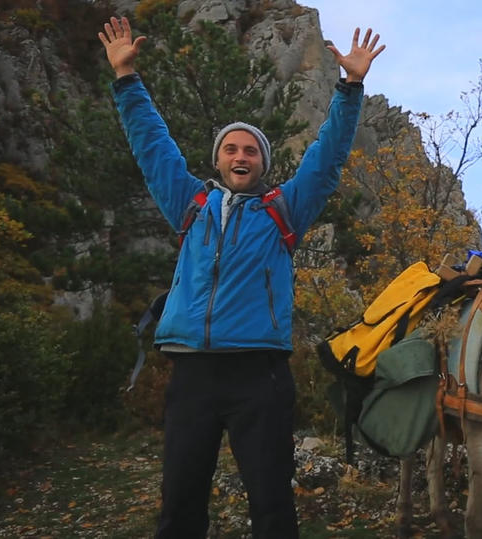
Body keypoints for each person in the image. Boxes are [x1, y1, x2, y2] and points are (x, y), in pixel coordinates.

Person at [98, 16, 384, 537]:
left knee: (272, 503)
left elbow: (327, 160)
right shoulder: (191, 205)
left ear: (261, 164)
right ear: (218, 160)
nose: (240, 155)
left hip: (261, 375)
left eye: (250, 150)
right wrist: (126, 80)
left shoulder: (283, 212)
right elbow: (152, 147)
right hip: (193, 374)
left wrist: (350, 87)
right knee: (180, 505)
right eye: (231, 148)